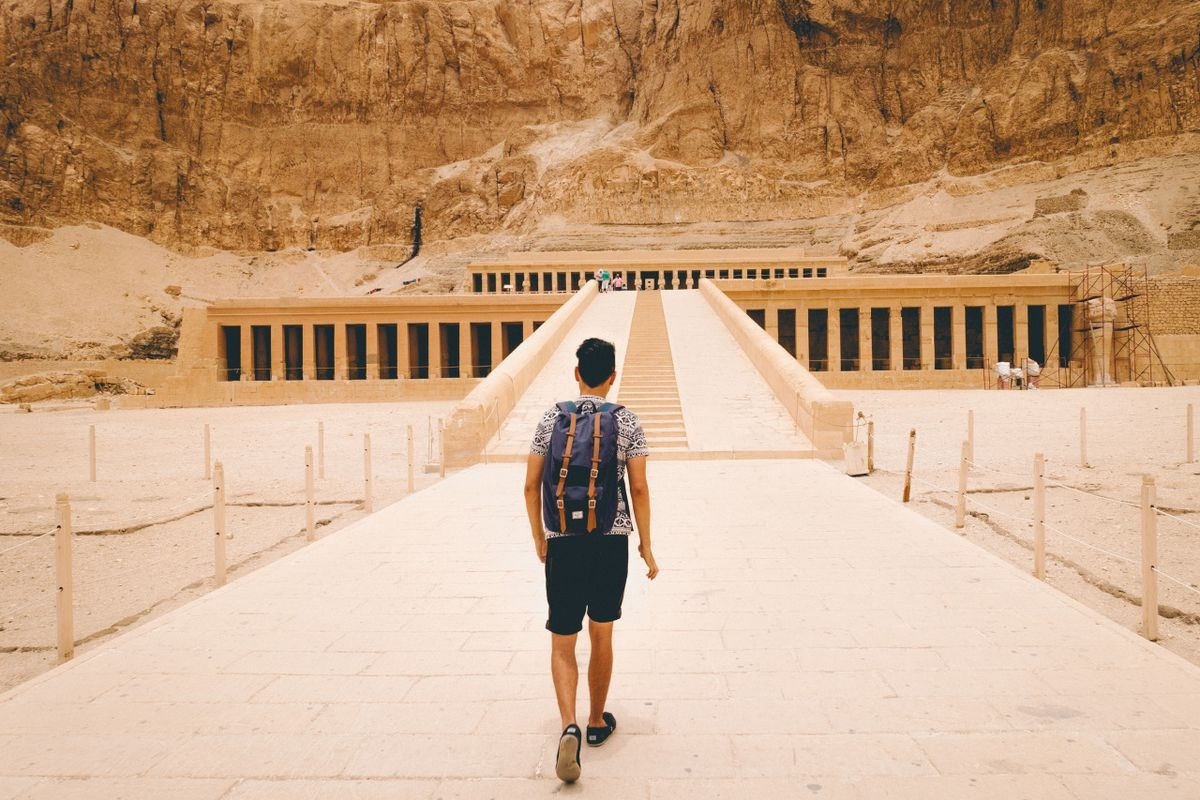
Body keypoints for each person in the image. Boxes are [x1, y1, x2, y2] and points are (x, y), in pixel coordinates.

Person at [523, 338, 657, 784]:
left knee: (563, 641)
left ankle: (569, 725)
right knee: (602, 633)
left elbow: (530, 485)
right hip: (609, 539)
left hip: (563, 539)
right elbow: (638, 488)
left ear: (575, 372)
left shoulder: (551, 418)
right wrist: (646, 545)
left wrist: (541, 537)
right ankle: (597, 720)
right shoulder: (628, 421)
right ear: (612, 376)